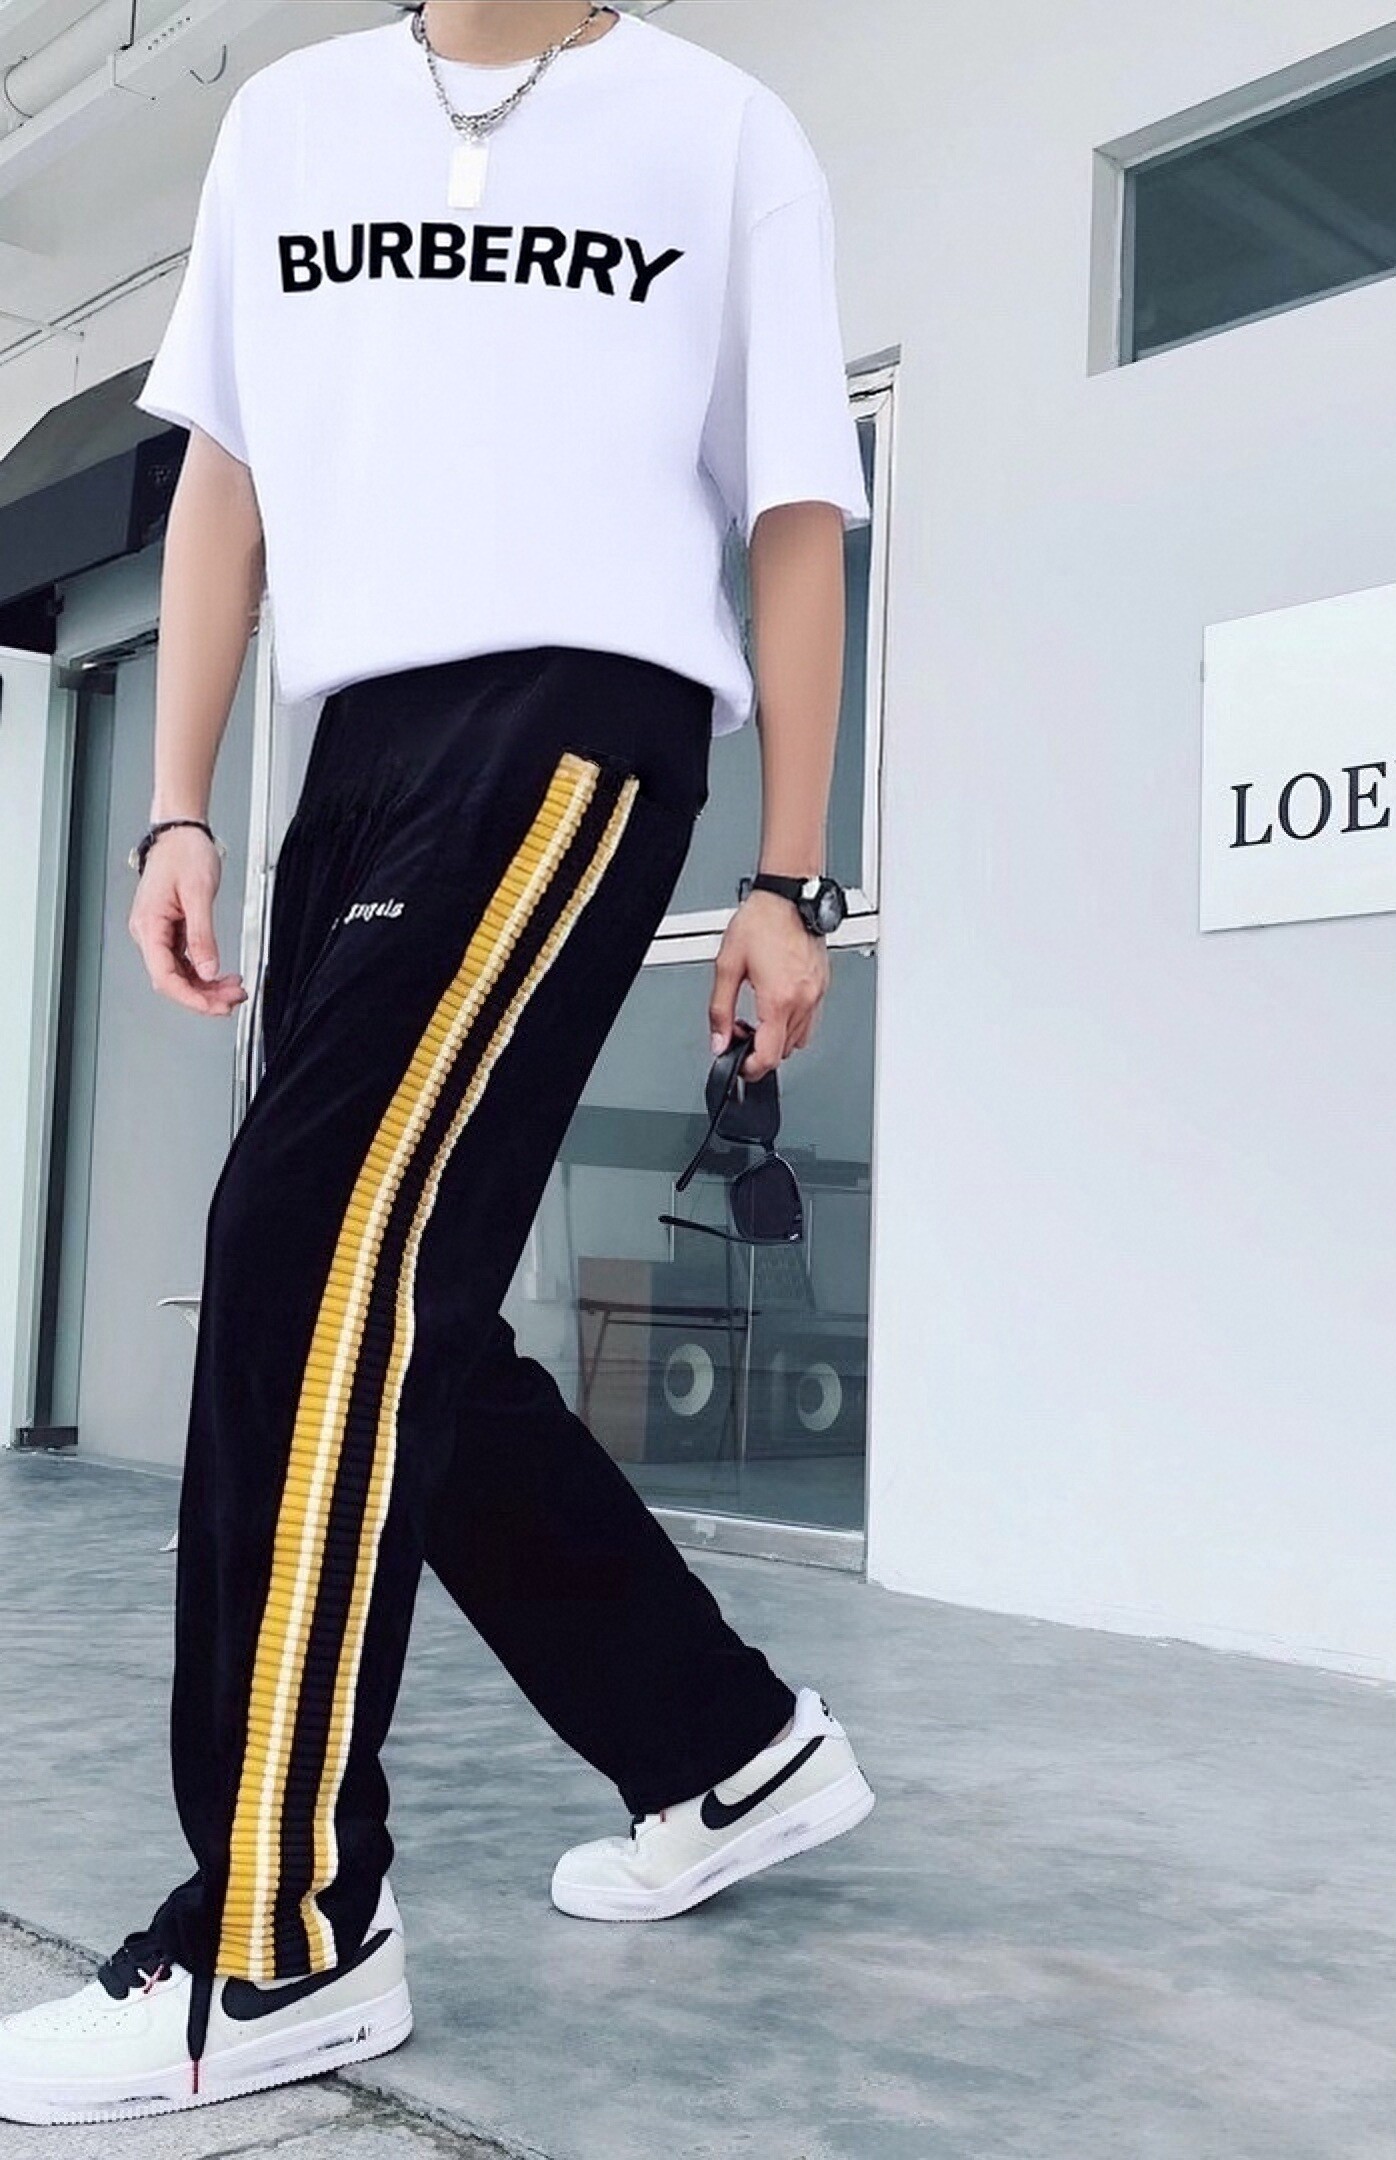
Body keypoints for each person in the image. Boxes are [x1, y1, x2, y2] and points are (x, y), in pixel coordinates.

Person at [0, 0, 875, 2126]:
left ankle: (283, 1938)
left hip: (582, 715)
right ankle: (722, 1742)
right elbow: (224, 476)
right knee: (399, 1297)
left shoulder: (716, 128)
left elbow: (795, 509)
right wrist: (178, 804)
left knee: (306, 1267)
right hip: (360, 743)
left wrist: (789, 874)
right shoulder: (292, 122)